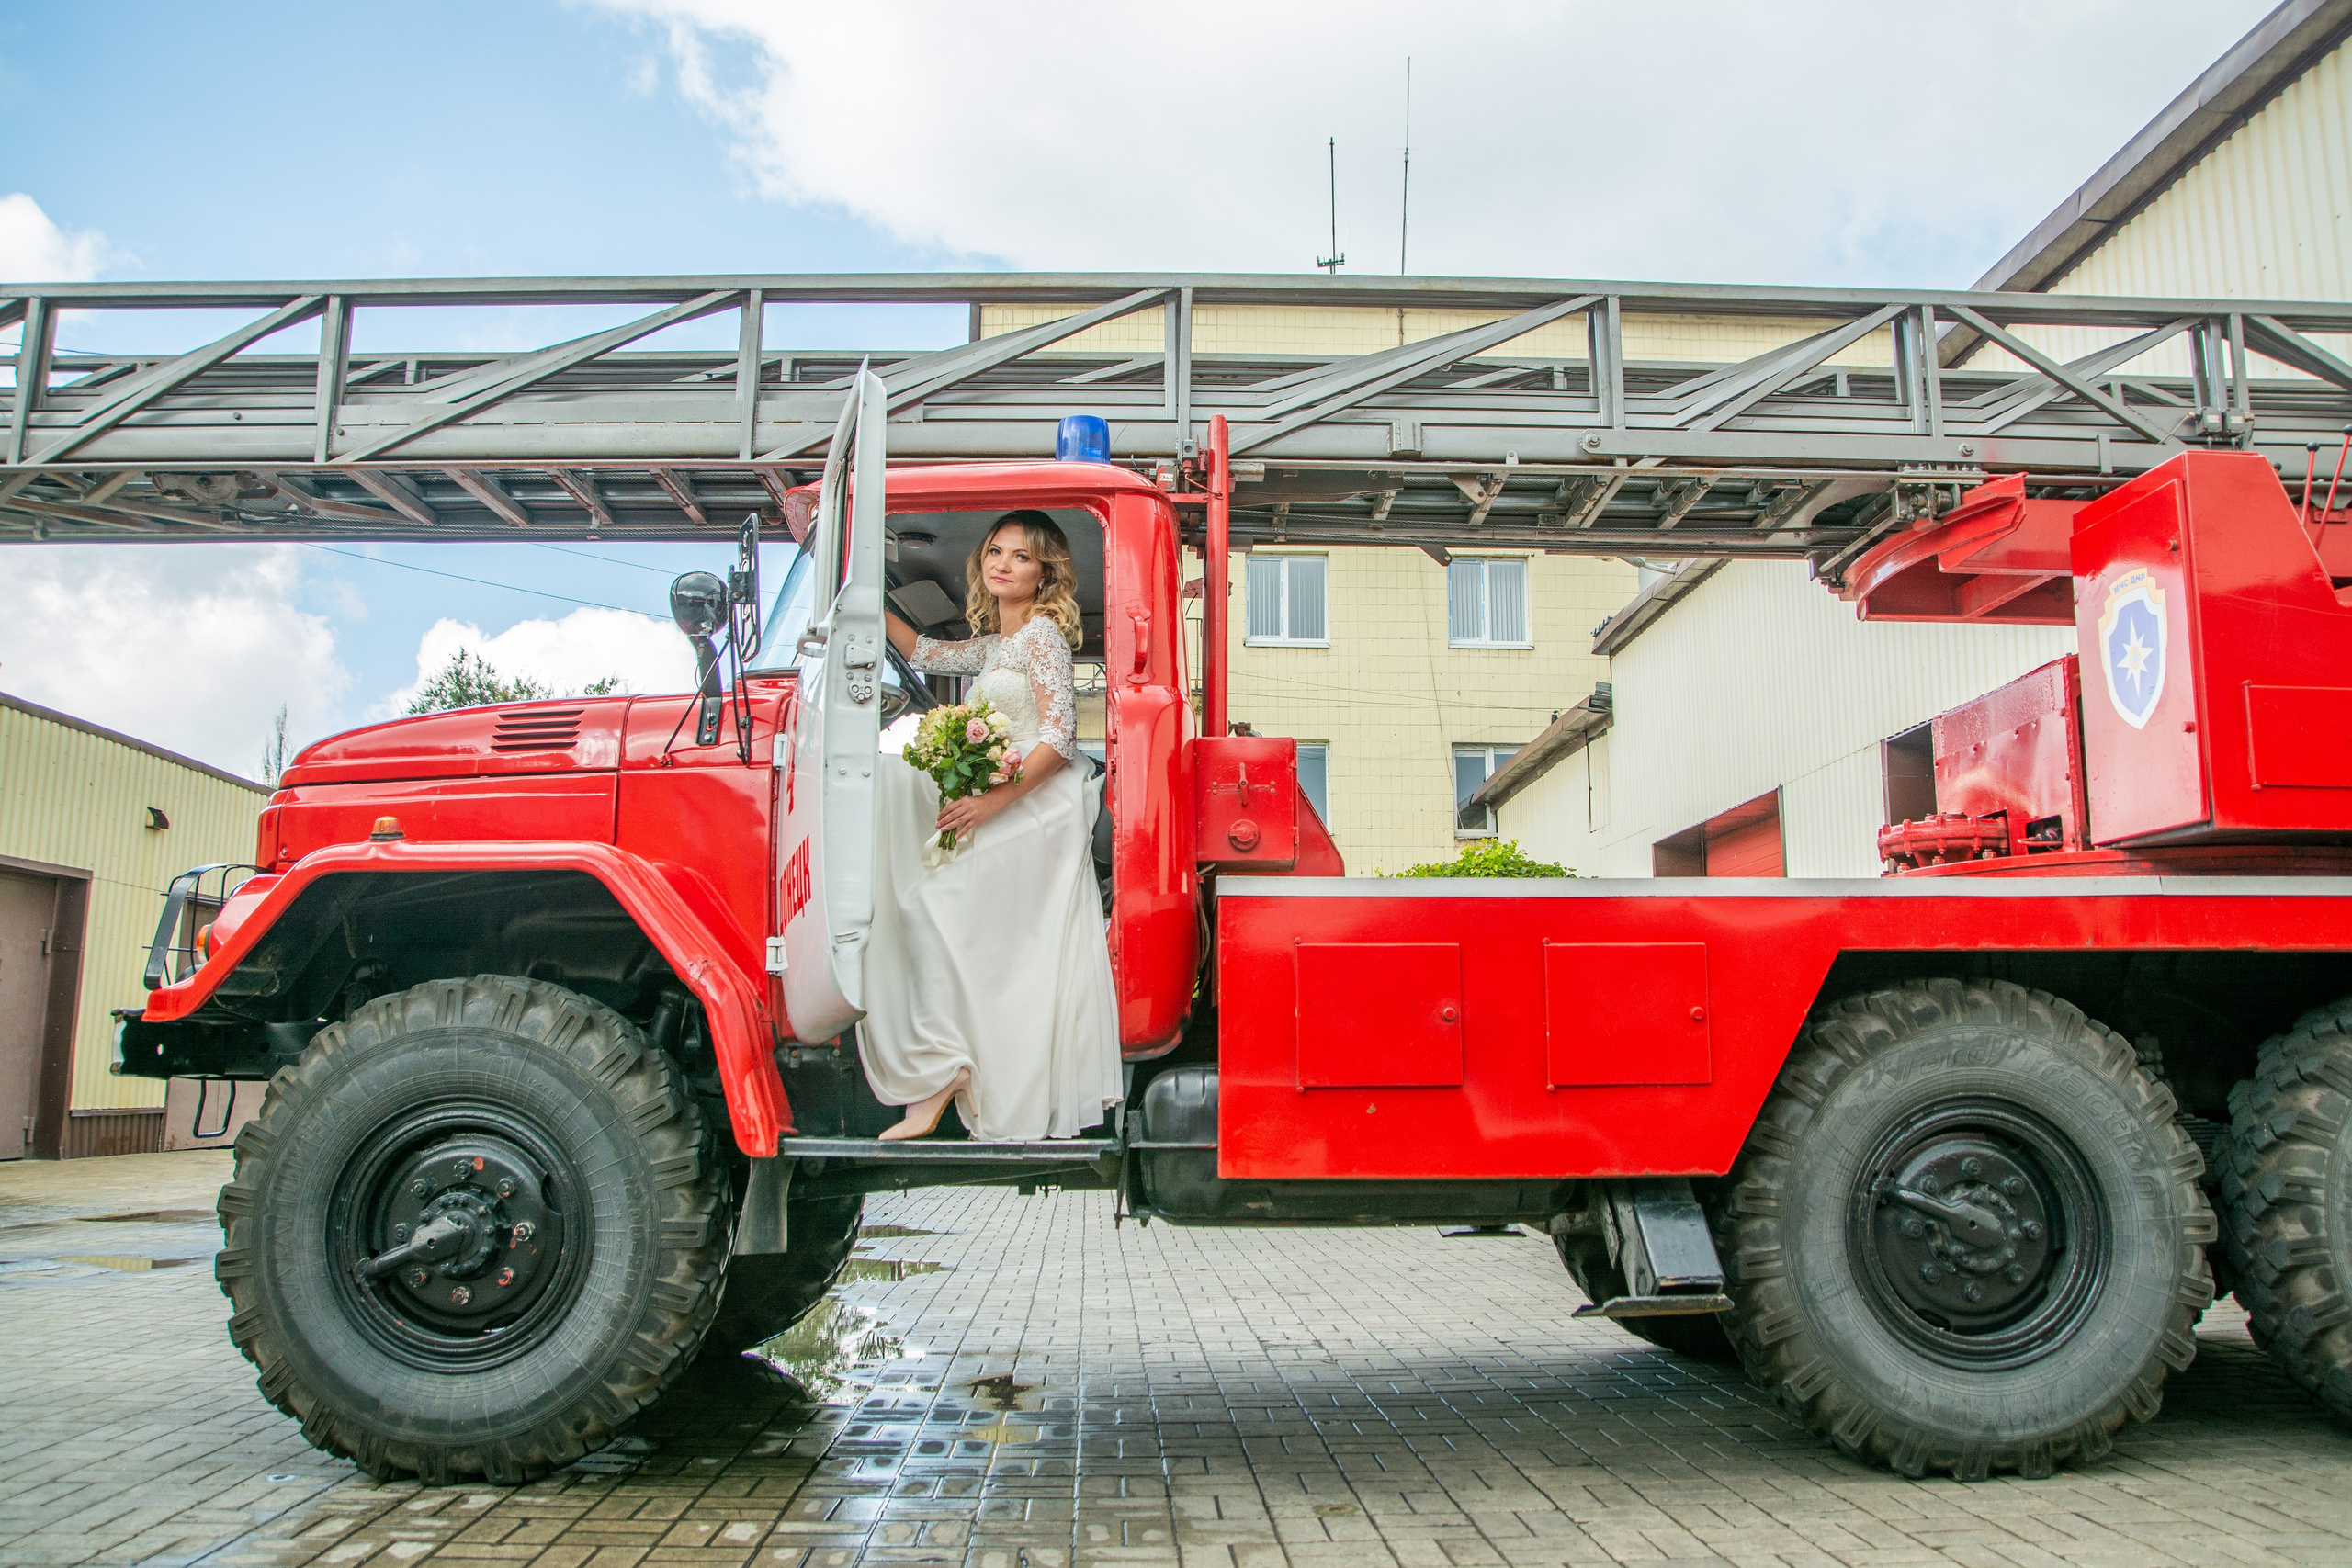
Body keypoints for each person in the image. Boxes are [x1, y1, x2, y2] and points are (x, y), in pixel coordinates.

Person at [859, 510, 1123, 1142]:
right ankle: (943, 1072)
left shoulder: (1042, 637)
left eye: (1021, 556)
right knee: (890, 794)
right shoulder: (997, 644)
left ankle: (943, 1072)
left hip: (1039, 802)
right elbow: (921, 650)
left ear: (1044, 573)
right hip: (1007, 796)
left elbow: (1059, 737)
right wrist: (862, 596)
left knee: (934, 904)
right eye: (995, 552)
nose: (1002, 563)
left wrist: (989, 801)